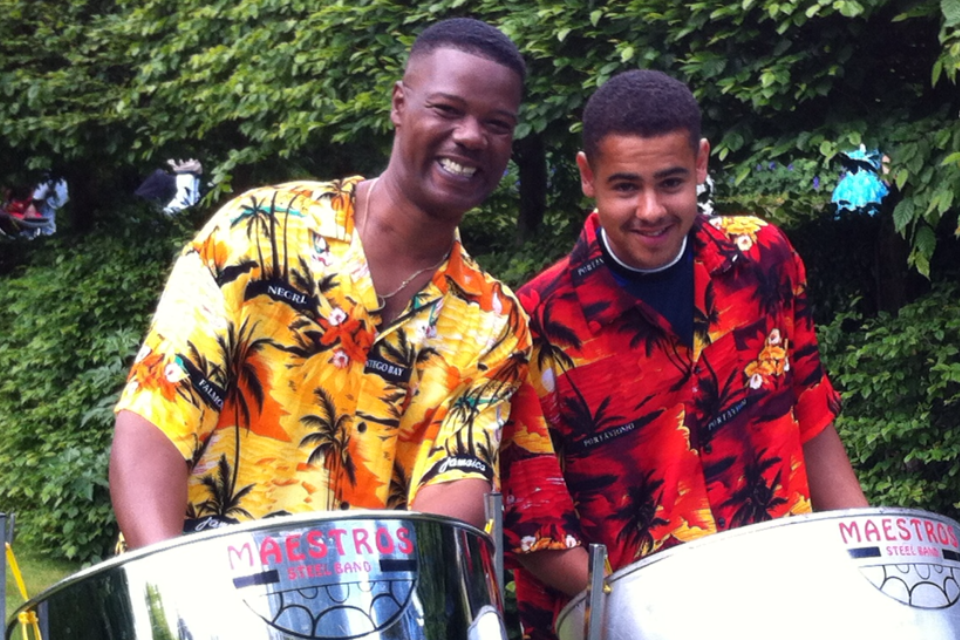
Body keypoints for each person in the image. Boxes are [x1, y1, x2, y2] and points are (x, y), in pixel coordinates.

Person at [110, 17, 536, 550]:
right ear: (399, 105)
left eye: (497, 123)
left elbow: (454, 481)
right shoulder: (258, 233)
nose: (471, 136)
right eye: (447, 109)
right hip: (197, 586)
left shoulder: (493, 321)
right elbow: (156, 419)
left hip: (375, 597)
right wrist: (168, 586)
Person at [500, 69, 869, 640]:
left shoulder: (763, 259)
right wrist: (669, 615)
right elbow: (537, 533)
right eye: (625, 187)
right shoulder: (535, 324)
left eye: (670, 182)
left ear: (700, 163)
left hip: (788, 607)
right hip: (631, 624)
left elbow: (812, 423)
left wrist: (868, 570)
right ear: (587, 176)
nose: (650, 210)